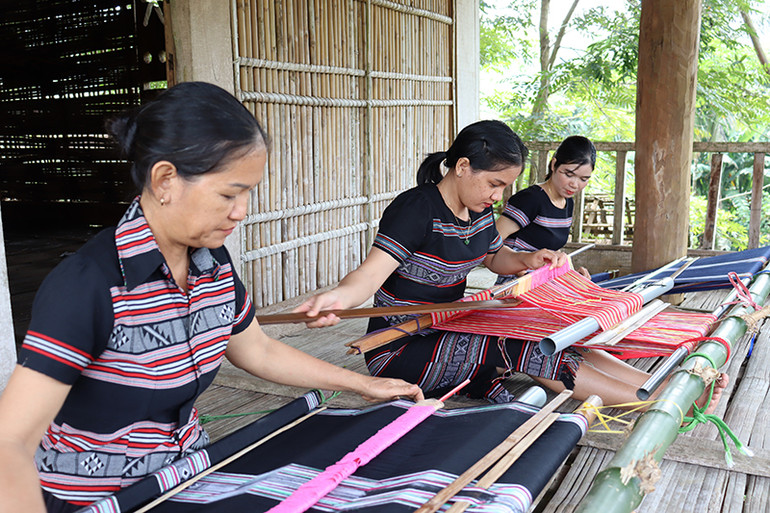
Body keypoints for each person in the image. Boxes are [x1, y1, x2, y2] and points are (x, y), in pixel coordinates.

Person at [0, 82, 422, 513]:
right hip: (97, 499)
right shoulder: (90, 284)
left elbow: (255, 349)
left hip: (187, 476)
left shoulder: (212, 264)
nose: (240, 211)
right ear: (165, 179)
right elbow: (9, 442)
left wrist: (363, 383)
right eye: (228, 194)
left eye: (247, 194)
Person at [294, 120, 728, 412]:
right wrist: (337, 298)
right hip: (400, 345)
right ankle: (663, 400)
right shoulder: (416, 209)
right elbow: (368, 277)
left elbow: (490, 257)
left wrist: (527, 260)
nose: (498, 195)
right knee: (520, 345)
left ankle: (673, 380)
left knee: (550, 332)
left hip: (451, 323)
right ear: (463, 167)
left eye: (505, 186)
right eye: (495, 183)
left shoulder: (478, 211)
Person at [495, 135, 595, 282]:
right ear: (554, 164)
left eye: (583, 179)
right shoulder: (531, 199)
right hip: (517, 284)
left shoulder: (568, 203)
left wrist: (571, 274)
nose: (575, 184)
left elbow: (551, 252)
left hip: (545, 282)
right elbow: (492, 239)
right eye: (569, 174)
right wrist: (522, 270)